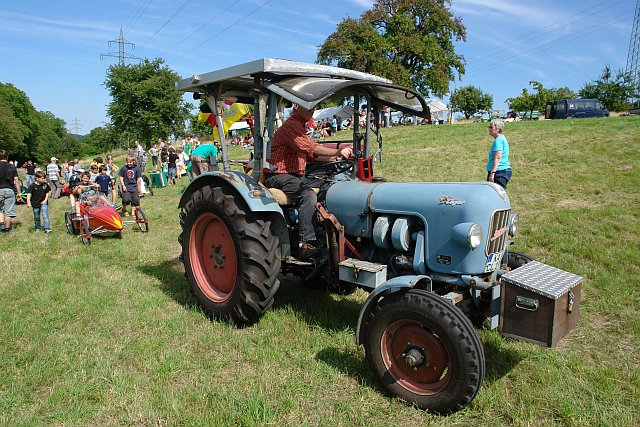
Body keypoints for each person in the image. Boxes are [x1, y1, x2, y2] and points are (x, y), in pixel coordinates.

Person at [265, 104, 352, 259]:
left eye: (313, 107)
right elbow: (308, 148)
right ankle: (305, 244)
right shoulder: (290, 126)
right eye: (308, 106)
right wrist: (338, 151)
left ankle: (322, 224)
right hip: (278, 174)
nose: (311, 110)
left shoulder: (300, 126)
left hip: (296, 175)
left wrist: (334, 158)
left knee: (328, 181)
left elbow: (311, 155)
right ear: (297, 106)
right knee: (307, 194)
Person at [486, 119, 512, 189]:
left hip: (499, 172)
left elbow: (497, 158)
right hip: (500, 171)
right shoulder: (501, 138)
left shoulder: (498, 140)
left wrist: (492, 173)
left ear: (498, 129)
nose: (489, 129)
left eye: (491, 127)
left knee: (496, 194)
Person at [0, 149, 21, 234]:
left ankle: (1, 224)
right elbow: (16, 181)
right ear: (7, 156)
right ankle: (7, 229)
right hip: (9, 190)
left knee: (0, 209)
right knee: (8, 211)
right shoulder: (12, 167)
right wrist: (19, 193)